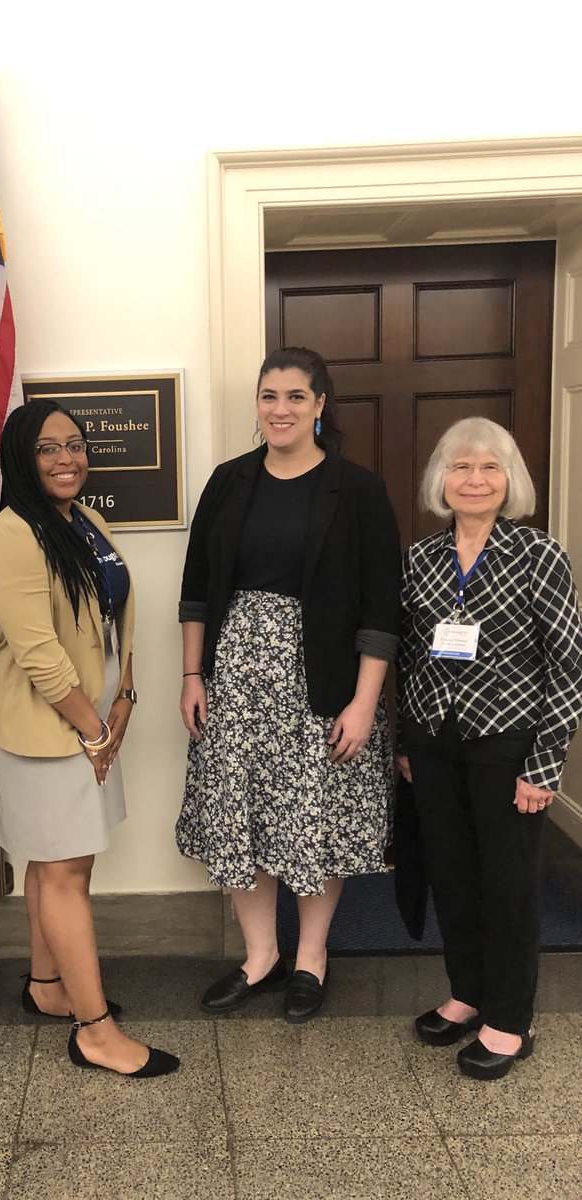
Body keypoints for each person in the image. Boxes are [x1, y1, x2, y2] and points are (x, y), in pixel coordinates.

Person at [177, 347, 401, 1021]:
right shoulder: (228, 482)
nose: (281, 409)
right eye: (269, 395)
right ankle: (260, 956)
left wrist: (364, 703)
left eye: (296, 396)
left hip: (323, 681)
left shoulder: (356, 490)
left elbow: (381, 608)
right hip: (234, 682)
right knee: (242, 815)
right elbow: (195, 591)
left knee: (313, 818)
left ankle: (310, 958)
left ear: (320, 405)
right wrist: (192, 674)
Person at [0, 398, 179, 1077]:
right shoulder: (11, 536)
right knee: (64, 872)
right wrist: (96, 731)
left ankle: (47, 985)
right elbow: (38, 654)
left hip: (90, 720)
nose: (67, 458)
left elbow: (115, 621)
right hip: (43, 730)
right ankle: (95, 1032)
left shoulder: (83, 521)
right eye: (48, 448)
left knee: (58, 863)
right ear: (21, 459)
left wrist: (125, 697)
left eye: (75, 444)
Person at [398, 417, 582, 1080]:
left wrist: (545, 764)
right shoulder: (420, 559)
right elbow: (410, 655)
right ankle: (469, 992)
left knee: (508, 885)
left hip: (508, 745)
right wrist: (405, 740)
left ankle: (509, 1019)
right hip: (434, 743)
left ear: (510, 481)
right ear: (440, 479)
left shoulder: (539, 555)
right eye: (460, 466)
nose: (473, 479)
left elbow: (568, 665)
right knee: (452, 875)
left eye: (489, 467)